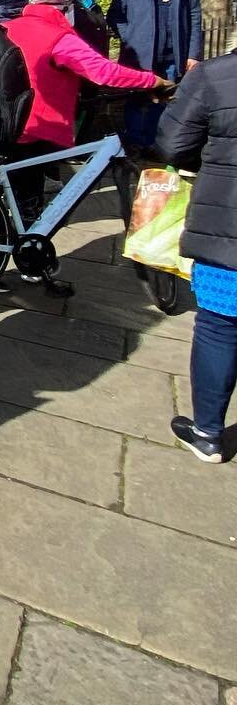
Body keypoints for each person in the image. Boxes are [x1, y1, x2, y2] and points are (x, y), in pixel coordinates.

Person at [0, 0, 165, 297]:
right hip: (38, 124)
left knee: (9, 196)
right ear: (67, 2)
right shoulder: (59, 37)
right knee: (26, 198)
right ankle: (17, 262)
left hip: (2, 122)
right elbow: (103, 72)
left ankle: (4, 262)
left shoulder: (6, 27)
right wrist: (151, 81)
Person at [155, 49, 237, 461]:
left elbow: (172, 145)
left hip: (227, 228)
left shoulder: (215, 75)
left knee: (219, 326)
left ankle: (207, 433)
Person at [108, 0, 203, 150]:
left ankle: (156, 142)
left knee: (165, 100)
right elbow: (115, 16)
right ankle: (134, 142)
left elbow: (195, 19)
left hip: (173, 54)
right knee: (136, 98)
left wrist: (193, 54)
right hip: (139, 55)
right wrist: (128, 37)